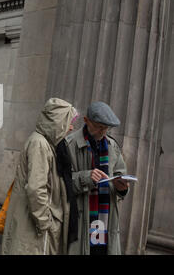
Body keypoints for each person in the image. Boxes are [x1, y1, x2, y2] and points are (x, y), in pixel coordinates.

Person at [2, 98, 78, 255]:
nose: (71, 127)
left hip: (37, 223)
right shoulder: (40, 144)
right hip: (34, 225)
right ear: (58, 121)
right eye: (68, 121)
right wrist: (45, 223)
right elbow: (36, 188)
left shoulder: (48, 143)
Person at [64, 101, 129, 255]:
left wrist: (122, 187)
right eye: (99, 126)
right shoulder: (70, 144)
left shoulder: (112, 146)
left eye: (106, 128)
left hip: (105, 217)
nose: (103, 132)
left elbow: (120, 173)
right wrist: (87, 177)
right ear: (86, 121)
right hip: (81, 217)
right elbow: (60, 183)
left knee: (100, 251)